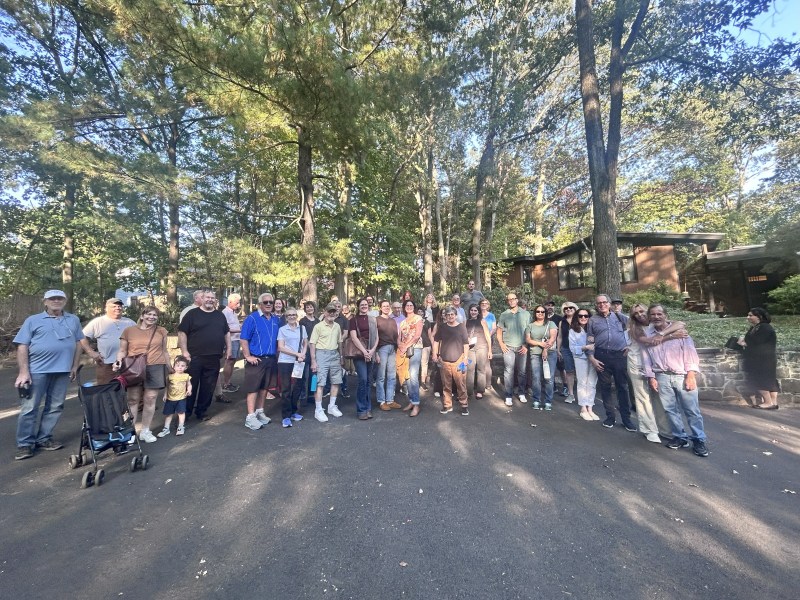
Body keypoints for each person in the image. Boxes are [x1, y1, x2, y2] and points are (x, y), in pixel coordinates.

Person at [13, 290, 84, 460]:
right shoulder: (33, 320)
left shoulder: (73, 320)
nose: (56, 301)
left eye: (60, 298)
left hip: (63, 370)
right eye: (52, 298)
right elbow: (22, 345)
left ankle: (44, 439)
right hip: (37, 370)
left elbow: (78, 343)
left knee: (55, 406)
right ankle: (25, 444)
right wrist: (24, 371)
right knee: (30, 407)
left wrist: (74, 366)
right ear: (45, 301)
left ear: (65, 301)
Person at [641, 304, 709, 457]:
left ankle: (699, 440)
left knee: (692, 410)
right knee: (670, 410)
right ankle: (680, 437)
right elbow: (646, 357)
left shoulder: (681, 333)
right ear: (649, 317)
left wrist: (691, 375)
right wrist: (651, 376)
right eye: (653, 314)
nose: (656, 317)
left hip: (682, 375)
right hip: (662, 376)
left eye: (659, 314)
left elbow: (691, 354)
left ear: (665, 315)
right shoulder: (648, 334)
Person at [115, 305, 170, 443]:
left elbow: (164, 351)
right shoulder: (129, 331)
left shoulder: (161, 331)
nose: (151, 317)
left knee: (150, 399)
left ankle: (145, 430)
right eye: (149, 314)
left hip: (156, 366)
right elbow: (122, 351)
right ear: (142, 316)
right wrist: (118, 362)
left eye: (155, 315)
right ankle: (130, 432)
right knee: (133, 399)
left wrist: (170, 367)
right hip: (135, 367)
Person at [627, 303, 682, 443]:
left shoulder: (656, 323)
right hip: (637, 364)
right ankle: (649, 430)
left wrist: (664, 333)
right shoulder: (634, 329)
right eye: (636, 313)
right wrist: (671, 336)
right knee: (643, 397)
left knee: (659, 397)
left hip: (655, 364)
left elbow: (681, 323)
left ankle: (665, 429)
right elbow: (649, 342)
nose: (639, 315)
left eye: (641, 311)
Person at [178, 290, 231, 422]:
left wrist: (229, 348)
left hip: (214, 357)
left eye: (212, 298)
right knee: (191, 386)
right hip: (194, 357)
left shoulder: (220, 316)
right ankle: (185, 413)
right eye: (207, 297)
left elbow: (227, 333)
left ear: (215, 300)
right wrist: (184, 351)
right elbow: (182, 332)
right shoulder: (192, 314)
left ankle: (201, 411)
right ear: (201, 299)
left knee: (208, 387)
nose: (210, 300)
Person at [586, 294, 636, 431]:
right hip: (601, 356)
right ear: (596, 305)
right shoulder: (592, 320)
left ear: (609, 304)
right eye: (599, 303)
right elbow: (589, 339)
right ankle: (610, 417)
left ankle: (626, 419)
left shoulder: (620, 317)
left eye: (604, 302)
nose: (602, 305)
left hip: (619, 356)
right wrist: (591, 358)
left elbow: (637, 329)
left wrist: (631, 346)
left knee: (622, 388)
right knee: (605, 388)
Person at [239, 292, 280, 430]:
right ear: (260, 304)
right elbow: (244, 338)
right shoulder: (252, 318)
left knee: (265, 387)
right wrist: (247, 356)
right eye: (266, 302)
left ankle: (259, 411)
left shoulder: (275, 319)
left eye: (271, 302)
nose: (269, 304)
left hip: (271, 359)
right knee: (253, 388)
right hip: (256, 359)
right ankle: (250, 417)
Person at [81, 297, 136, 384]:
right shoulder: (98, 322)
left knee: (130, 390)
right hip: (106, 363)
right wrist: (91, 352)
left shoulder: (129, 322)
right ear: (106, 308)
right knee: (106, 390)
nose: (117, 308)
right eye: (114, 306)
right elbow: (82, 337)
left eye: (119, 306)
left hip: (127, 363)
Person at [309, 303, 345, 422]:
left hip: (334, 354)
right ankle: (318, 410)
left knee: (336, 381)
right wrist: (313, 361)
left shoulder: (337, 326)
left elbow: (340, 342)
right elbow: (312, 344)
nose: (331, 314)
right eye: (329, 311)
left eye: (333, 311)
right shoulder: (318, 326)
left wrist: (341, 356)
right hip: (321, 354)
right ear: (324, 312)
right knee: (320, 383)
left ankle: (331, 406)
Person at [739, 307, 780, 409]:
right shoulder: (758, 327)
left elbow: (757, 343)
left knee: (760, 379)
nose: (748, 317)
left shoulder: (764, 328)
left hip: (762, 358)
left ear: (759, 317)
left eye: (750, 315)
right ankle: (773, 403)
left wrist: (743, 343)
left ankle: (768, 402)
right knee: (769, 379)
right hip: (765, 358)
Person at [432, 307, 470, 416]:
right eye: (448, 315)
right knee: (446, 385)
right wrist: (435, 354)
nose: (450, 316)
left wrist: (466, 358)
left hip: (459, 360)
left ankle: (464, 405)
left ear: (456, 315)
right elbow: (436, 341)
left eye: (452, 314)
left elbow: (466, 343)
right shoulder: (442, 327)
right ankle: (447, 405)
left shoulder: (461, 327)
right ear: (445, 316)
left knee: (461, 384)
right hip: (444, 360)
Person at [497, 292, 531, 406]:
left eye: (513, 299)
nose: (511, 301)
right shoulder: (504, 314)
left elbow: (529, 331)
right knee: (508, 371)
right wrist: (501, 344)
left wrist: (526, 345)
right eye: (509, 299)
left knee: (522, 372)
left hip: (522, 347)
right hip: (508, 348)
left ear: (517, 300)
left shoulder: (526, 314)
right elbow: (499, 332)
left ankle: (521, 393)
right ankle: (508, 395)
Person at [276, 307, 307, 427]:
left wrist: (302, 355)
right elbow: (281, 347)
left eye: (294, 314)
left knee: (298, 386)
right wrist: (296, 354)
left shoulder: (302, 328)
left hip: (298, 361)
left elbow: (305, 343)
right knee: (286, 388)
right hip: (285, 361)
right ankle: (286, 416)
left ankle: (294, 411)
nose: (292, 317)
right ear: (285, 317)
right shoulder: (282, 329)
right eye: (289, 315)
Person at [349, 298, 379, 420]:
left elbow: (377, 336)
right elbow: (354, 337)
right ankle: (361, 409)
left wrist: (372, 351)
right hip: (359, 354)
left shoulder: (373, 319)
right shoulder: (353, 320)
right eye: (362, 304)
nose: (364, 306)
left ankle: (368, 408)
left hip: (371, 352)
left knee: (368, 382)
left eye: (366, 304)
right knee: (363, 380)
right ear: (358, 306)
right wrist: (364, 351)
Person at [525, 305, 558, 411]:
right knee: (536, 378)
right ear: (535, 313)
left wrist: (545, 350)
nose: (540, 313)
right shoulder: (530, 325)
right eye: (538, 311)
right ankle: (536, 399)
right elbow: (528, 340)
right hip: (534, 354)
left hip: (550, 353)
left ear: (545, 313)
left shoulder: (551, 323)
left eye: (542, 311)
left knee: (549, 378)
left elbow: (552, 338)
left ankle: (548, 401)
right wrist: (540, 344)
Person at [569, 309, 599, 420]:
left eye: (586, 316)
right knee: (582, 382)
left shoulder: (594, 329)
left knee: (592, 383)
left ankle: (590, 407)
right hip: (580, 358)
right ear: (577, 317)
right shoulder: (573, 331)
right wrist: (584, 347)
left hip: (594, 358)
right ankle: (583, 408)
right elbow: (572, 348)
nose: (583, 318)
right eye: (580, 316)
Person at [398, 300, 424, 416]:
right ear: (404, 307)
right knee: (406, 376)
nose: (409, 307)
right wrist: (400, 345)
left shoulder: (418, 318)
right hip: (404, 350)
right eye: (407, 305)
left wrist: (406, 346)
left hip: (415, 348)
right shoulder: (402, 322)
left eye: (411, 305)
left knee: (413, 375)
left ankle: (417, 405)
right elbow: (399, 337)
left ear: (414, 307)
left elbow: (417, 335)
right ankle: (411, 401)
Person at [157, 355, 192, 437]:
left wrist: (189, 390)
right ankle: (166, 428)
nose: (180, 368)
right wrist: (165, 395)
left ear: (186, 367)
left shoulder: (186, 376)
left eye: (182, 366)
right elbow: (167, 387)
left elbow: (189, 384)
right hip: (170, 398)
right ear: (174, 367)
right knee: (169, 414)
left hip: (181, 398)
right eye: (178, 366)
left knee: (181, 412)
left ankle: (181, 426)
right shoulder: (170, 377)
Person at [375, 300, 401, 411]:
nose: (386, 307)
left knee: (391, 376)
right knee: (381, 376)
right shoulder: (376, 320)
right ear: (380, 308)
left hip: (392, 349)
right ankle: (382, 401)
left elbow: (397, 337)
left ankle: (390, 400)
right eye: (384, 306)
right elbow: (374, 337)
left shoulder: (392, 321)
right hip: (382, 349)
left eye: (387, 306)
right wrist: (375, 352)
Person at [465, 304, 492, 400]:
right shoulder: (466, 322)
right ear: (469, 311)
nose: (473, 312)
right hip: (470, 348)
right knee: (469, 369)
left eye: (475, 310)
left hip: (481, 347)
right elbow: (462, 335)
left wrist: (490, 350)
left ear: (478, 312)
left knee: (481, 369)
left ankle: (480, 391)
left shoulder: (482, 321)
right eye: (471, 310)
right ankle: (468, 391)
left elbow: (487, 335)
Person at [556, 302, 578, 403]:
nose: (568, 309)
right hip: (566, 349)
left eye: (570, 308)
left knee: (582, 372)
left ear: (575, 308)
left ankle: (585, 395)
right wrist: (558, 349)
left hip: (580, 349)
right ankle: (571, 394)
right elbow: (560, 336)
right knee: (569, 371)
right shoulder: (562, 322)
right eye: (565, 309)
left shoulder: (580, 319)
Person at [299, 300, 320, 403]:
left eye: (311, 307)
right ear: (305, 309)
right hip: (305, 350)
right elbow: (301, 337)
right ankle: (303, 395)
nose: (309, 309)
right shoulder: (302, 321)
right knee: (304, 375)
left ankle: (312, 395)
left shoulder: (317, 321)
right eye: (307, 307)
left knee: (314, 375)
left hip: (316, 351)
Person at [221, 293, 241, 393]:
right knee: (229, 361)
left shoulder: (233, 312)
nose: (238, 305)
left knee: (233, 361)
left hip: (236, 340)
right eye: (237, 303)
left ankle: (228, 382)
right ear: (230, 302)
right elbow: (225, 329)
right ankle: (225, 384)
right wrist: (240, 331)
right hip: (230, 340)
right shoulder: (225, 312)